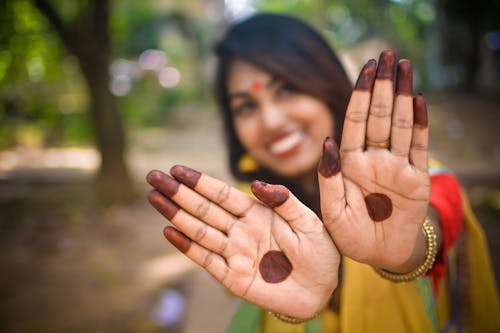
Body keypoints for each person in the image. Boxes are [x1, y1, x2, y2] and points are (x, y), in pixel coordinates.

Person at [146, 13, 500, 333]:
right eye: (247, 106)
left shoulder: (416, 181)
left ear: (326, 84)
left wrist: (403, 252)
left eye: (286, 90)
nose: (271, 121)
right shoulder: (246, 213)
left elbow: (430, 220)